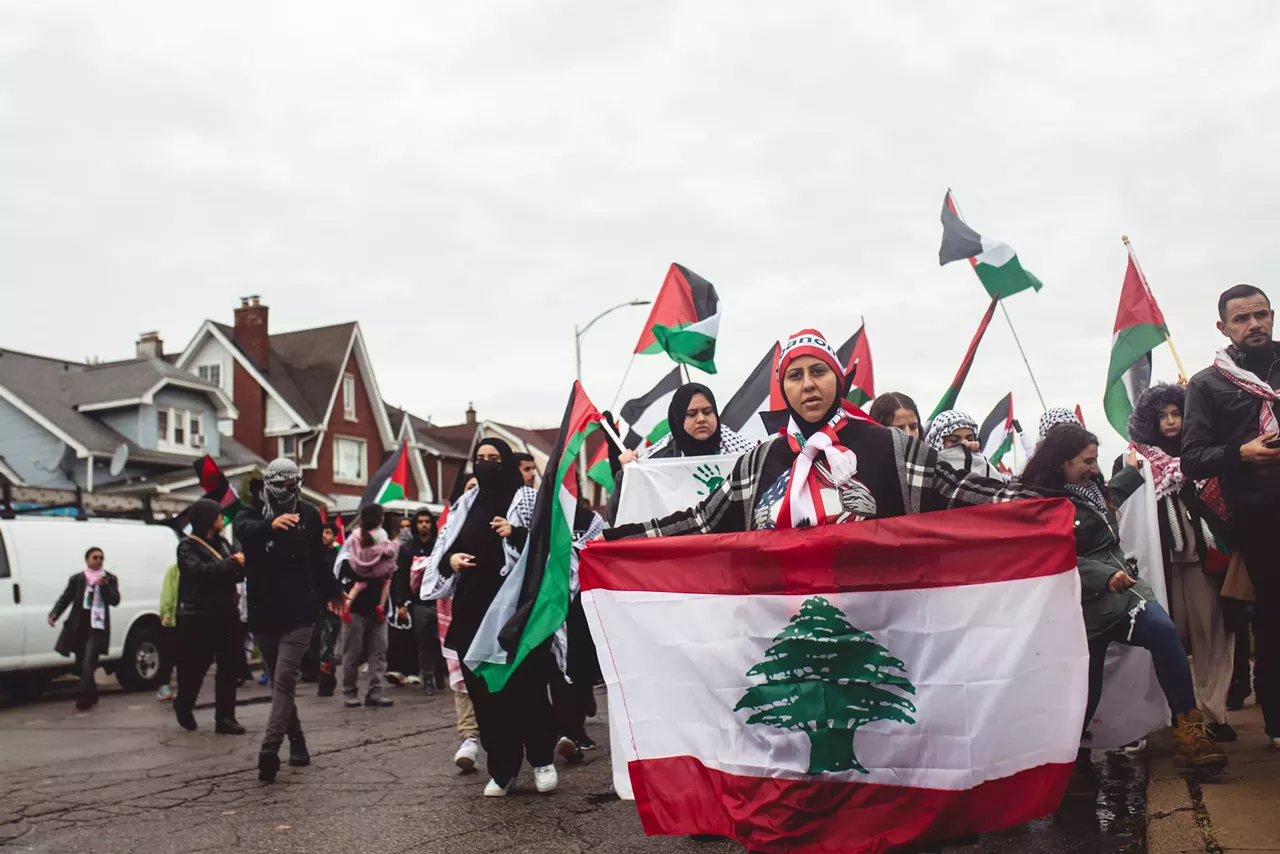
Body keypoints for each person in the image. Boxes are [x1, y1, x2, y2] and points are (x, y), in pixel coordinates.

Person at [606, 329, 1040, 540]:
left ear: (838, 379)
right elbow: (702, 521)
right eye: (794, 375)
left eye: (818, 372)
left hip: (882, 628)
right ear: (784, 388)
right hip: (784, 632)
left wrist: (1042, 502)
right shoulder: (761, 461)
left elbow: (962, 493)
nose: (807, 384)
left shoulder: (890, 447)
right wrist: (624, 539)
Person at [1020, 423, 1227, 769]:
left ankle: (1189, 731)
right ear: (1062, 464)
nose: (1095, 468)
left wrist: (1132, 472)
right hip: (1081, 607)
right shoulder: (1042, 505)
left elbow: (1107, 504)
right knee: (1087, 691)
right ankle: (1064, 761)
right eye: (1087, 461)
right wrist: (1102, 576)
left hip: (1124, 592)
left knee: (1163, 631)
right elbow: (1055, 555)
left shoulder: (1092, 489)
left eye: (1096, 459)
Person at [421, 439, 558, 797]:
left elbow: (549, 544)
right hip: (472, 611)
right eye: (479, 459)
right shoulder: (466, 504)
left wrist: (515, 534)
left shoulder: (527, 499)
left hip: (517, 613)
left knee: (525, 687)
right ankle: (502, 768)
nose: (484, 465)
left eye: (493, 459)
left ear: (508, 462)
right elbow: (445, 549)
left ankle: (542, 759)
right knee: (484, 693)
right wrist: (450, 562)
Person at [1183, 284, 1280, 748]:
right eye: (1242, 319)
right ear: (1224, 328)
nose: (1254, 324)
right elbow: (1193, 458)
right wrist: (1240, 453)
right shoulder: (1207, 384)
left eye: (1260, 314)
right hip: (1261, 520)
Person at [1128, 382, 1237, 741]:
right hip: (1160, 565)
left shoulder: (1202, 454)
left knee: (1212, 635)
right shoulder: (1136, 461)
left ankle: (1213, 714)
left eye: (1178, 413)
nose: (1172, 422)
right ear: (1149, 421)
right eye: (1163, 416)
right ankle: (1179, 712)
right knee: (1171, 639)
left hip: (1204, 562)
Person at [235, 458, 345, 782]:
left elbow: (318, 562)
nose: (290, 490)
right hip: (263, 611)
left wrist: (334, 592)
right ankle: (297, 740)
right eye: (283, 484)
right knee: (280, 685)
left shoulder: (309, 514)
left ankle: (269, 750)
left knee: (284, 680)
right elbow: (244, 532)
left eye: (295, 483)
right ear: (269, 484)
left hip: (300, 610)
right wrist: (271, 525)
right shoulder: (250, 512)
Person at [607, 382, 755, 523]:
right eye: (691, 414)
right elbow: (618, 518)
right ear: (677, 418)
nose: (701, 419)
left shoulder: (746, 455)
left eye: (707, 412)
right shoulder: (658, 460)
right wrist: (626, 476)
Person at [173, 498, 246, 734]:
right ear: (206, 519)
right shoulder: (187, 547)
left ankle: (225, 718)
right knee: (196, 666)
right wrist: (231, 564)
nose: (221, 519)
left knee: (229, 664)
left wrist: (238, 565)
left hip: (226, 613)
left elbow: (234, 573)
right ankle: (184, 704)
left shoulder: (223, 543)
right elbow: (199, 571)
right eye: (217, 515)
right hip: (199, 616)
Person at [551, 495, 607, 764]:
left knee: (580, 669)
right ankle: (568, 733)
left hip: (582, 604)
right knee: (559, 672)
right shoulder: (545, 518)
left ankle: (577, 726)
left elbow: (599, 550)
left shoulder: (591, 521)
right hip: (553, 605)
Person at [335, 503, 398, 709]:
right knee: (354, 652)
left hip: (375, 607)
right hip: (358, 608)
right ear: (380, 519)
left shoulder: (378, 538)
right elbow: (345, 566)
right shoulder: (355, 541)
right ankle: (350, 691)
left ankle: (374, 691)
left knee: (377, 651)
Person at [49, 548, 120, 711]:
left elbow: (114, 600)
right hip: (80, 625)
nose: (99, 560)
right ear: (87, 560)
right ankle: (92, 692)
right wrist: (54, 614)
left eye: (101, 558)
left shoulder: (109, 578)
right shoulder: (78, 579)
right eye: (95, 557)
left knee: (89, 659)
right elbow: (66, 598)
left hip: (97, 625)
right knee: (81, 663)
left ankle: (84, 698)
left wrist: (104, 587)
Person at [396, 508, 443, 694]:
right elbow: (401, 577)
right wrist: (401, 603)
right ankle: (428, 679)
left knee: (440, 640)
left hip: (439, 600)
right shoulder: (407, 549)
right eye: (421, 522)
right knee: (424, 641)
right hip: (419, 602)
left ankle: (440, 671)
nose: (424, 525)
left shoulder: (439, 546)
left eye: (427, 522)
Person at [924, 409, 1006, 480]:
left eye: (970, 439)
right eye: (954, 440)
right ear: (937, 442)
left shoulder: (985, 467)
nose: (965, 444)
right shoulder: (926, 476)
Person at [314, 522, 343, 697]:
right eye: (322, 532)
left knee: (327, 645)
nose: (324, 536)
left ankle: (326, 680)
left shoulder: (339, 556)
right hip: (314, 605)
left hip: (332, 606)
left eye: (327, 532)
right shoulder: (315, 555)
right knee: (316, 643)